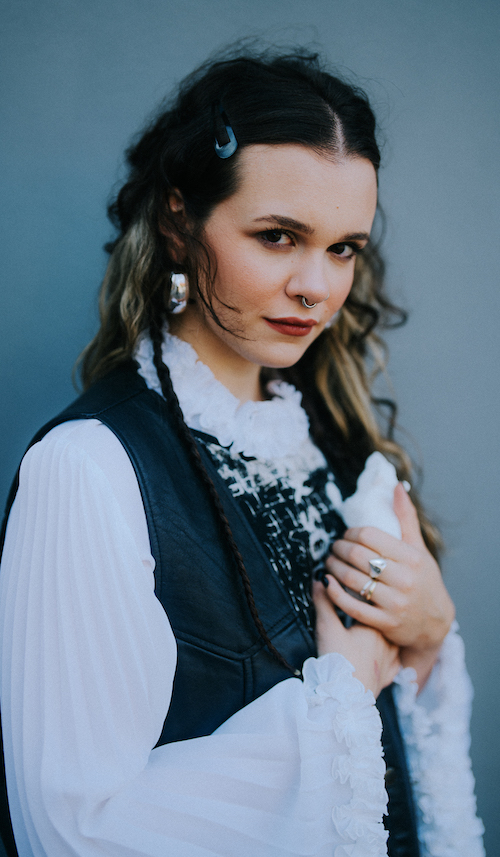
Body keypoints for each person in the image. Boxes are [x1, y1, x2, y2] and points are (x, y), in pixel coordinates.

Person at [0, 48, 484, 857]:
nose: (317, 287)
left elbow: (400, 778)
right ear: (178, 224)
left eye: (344, 247)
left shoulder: (334, 445)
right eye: (278, 236)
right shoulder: (87, 471)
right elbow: (71, 832)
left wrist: (430, 635)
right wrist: (340, 696)